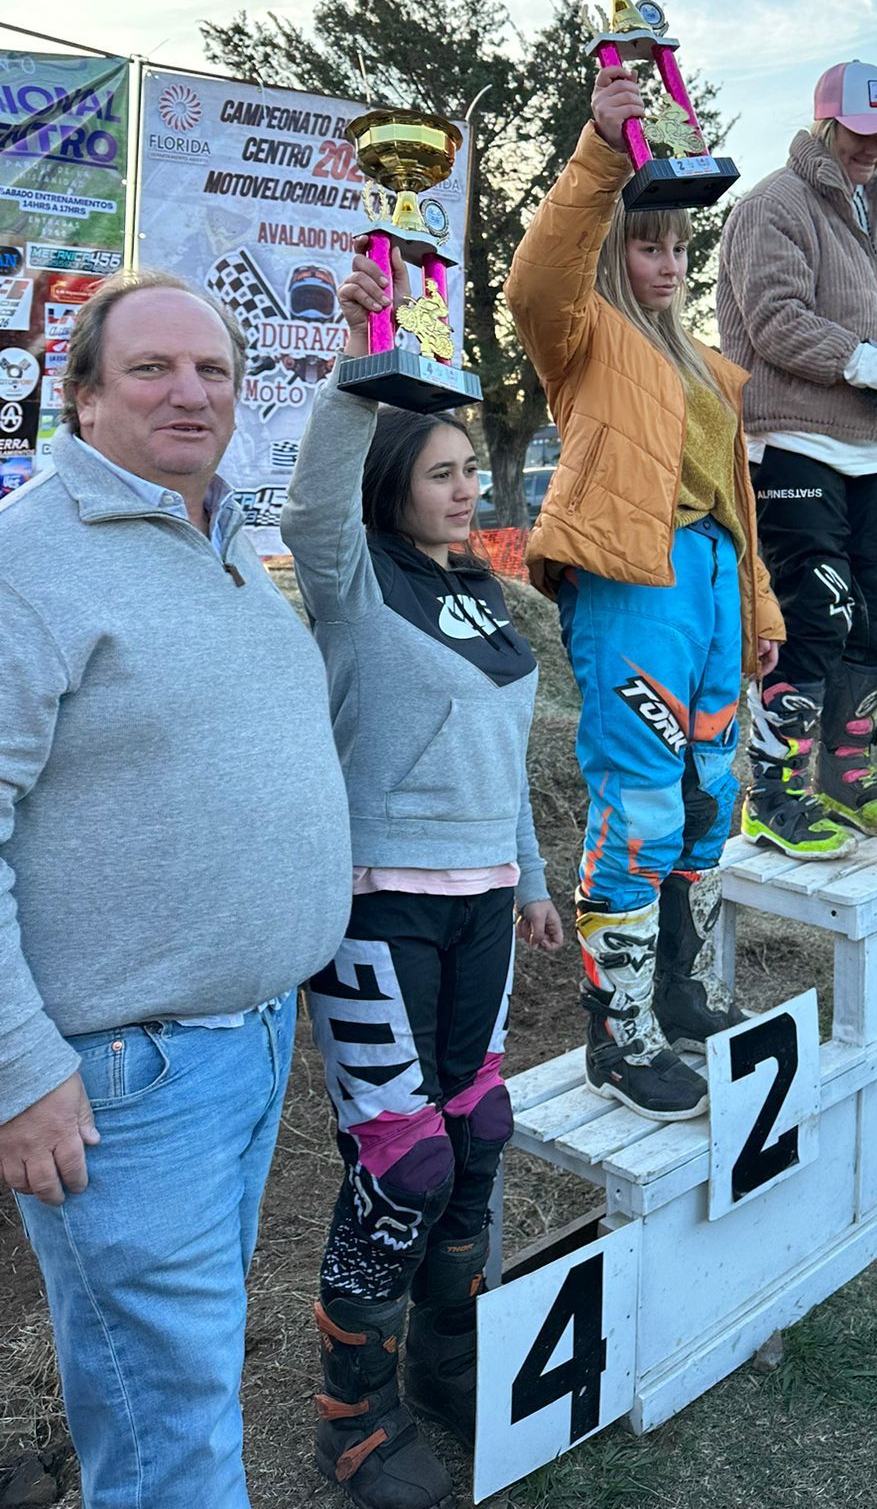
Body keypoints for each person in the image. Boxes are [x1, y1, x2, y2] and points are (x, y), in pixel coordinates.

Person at [0, 271, 353, 1509]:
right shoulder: (26, 560)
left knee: (176, 1392)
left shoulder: (222, 536)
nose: (189, 390)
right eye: (151, 368)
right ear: (83, 395)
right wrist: (18, 1068)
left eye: (213, 368)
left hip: (248, 1046)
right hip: (122, 1081)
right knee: (175, 1439)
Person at [280, 248, 562, 1508]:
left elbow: (502, 757)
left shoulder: (485, 598)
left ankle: (449, 1366)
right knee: (404, 1162)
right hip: (377, 906)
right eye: (445, 472)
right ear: (398, 483)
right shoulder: (352, 578)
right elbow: (308, 510)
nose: (469, 489)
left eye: (473, 472)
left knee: (479, 1134)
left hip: (483, 903)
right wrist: (362, 376)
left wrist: (535, 875)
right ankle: (353, 1410)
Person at [506, 65, 787, 1123]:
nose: (667, 262)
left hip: (713, 578)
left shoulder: (712, 366)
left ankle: (684, 989)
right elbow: (536, 280)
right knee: (642, 799)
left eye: (678, 246)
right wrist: (598, 148)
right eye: (646, 242)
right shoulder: (582, 339)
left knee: (715, 790)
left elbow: (738, 499)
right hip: (631, 578)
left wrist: (757, 606)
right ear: (617, 250)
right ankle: (616, 1036)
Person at [717, 58, 877, 842]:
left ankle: (846, 770)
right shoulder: (771, 206)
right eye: (863, 133)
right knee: (814, 615)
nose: (874, 149)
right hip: (793, 442)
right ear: (825, 124)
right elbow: (775, 321)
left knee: (876, 617)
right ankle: (771, 791)